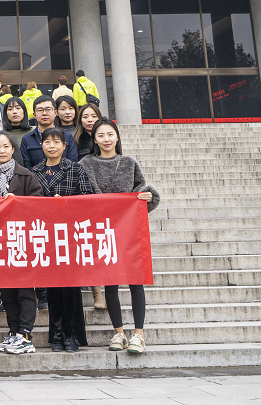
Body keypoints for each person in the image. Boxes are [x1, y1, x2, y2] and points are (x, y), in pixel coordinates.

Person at [77, 118, 160, 355]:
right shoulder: (85, 164)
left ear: (117, 137)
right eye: (101, 135)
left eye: (110, 134)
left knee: (135, 281)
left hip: (129, 229)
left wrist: (146, 198)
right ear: (94, 139)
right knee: (110, 283)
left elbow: (147, 191)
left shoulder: (129, 163)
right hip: (102, 230)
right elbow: (82, 196)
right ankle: (118, 332)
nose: (106, 139)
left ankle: (139, 335)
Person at [29, 127, 95, 352]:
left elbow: (89, 199)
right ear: (42, 146)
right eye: (47, 142)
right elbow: (27, 203)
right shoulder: (34, 171)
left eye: (57, 142)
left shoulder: (75, 169)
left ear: (64, 146)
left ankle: (71, 335)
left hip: (69, 235)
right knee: (52, 288)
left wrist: (66, 203)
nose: (52, 146)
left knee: (71, 288)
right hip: (45, 235)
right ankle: (55, 336)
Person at [0, 132, 44, 355]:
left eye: (5, 147)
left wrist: (17, 202)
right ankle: (14, 331)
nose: (1, 151)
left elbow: (38, 204)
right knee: (7, 291)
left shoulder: (26, 175)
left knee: (25, 290)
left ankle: (26, 335)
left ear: (13, 149)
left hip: (22, 239)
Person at [19, 96, 79, 170]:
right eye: (40, 110)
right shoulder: (26, 139)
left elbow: (73, 163)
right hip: (35, 180)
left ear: (55, 113)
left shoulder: (67, 136)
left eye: (48, 109)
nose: (44, 113)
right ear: (34, 115)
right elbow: (26, 167)